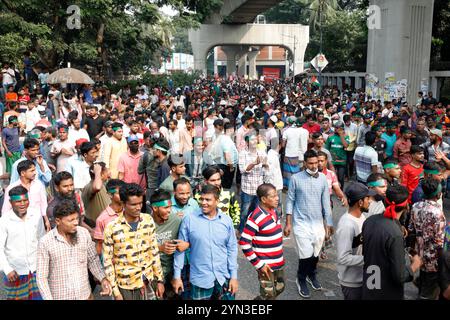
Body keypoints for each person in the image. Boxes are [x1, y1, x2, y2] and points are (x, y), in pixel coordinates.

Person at [172, 184, 238, 300]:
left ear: (217, 201)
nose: (203, 202)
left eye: (208, 200)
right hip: (200, 279)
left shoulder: (226, 221)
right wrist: (177, 276)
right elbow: (180, 249)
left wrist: (234, 276)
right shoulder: (189, 220)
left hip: (223, 278)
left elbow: (232, 249)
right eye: (201, 199)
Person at [36, 199, 112, 300]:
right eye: (71, 220)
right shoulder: (45, 242)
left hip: (85, 295)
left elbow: (93, 260)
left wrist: (103, 279)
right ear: (58, 221)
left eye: (77, 218)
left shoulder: (84, 234)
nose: (76, 223)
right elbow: (41, 277)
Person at [284, 150, 333, 298]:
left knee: (316, 252)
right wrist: (288, 223)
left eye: (316, 162)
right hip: (301, 223)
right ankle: (301, 279)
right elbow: (290, 200)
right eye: (310, 163)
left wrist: (328, 223)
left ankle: (312, 275)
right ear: (304, 163)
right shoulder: (295, 179)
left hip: (318, 223)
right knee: (305, 254)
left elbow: (325, 202)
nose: (314, 166)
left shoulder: (323, 178)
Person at [103, 183, 165, 300]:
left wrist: (160, 280)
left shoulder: (148, 220)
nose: (138, 207)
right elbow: (107, 262)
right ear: (123, 204)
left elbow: (154, 251)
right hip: (126, 286)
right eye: (133, 204)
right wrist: (116, 293)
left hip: (149, 280)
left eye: (140, 203)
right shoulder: (112, 227)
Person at [361, 184, 422, 300]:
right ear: (406, 206)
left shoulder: (369, 221)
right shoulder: (395, 234)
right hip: (386, 291)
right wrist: (415, 264)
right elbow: (399, 276)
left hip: (370, 282)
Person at [239, 183, 285, 300]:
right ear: (264, 199)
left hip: (278, 263)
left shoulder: (274, 211)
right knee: (269, 296)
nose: (277, 198)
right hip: (266, 266)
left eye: (276, 195)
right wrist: (259, 265)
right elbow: (244, 242)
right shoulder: (255, 217)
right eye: (273, 196)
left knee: (280, 288)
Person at [0, 186, 45, 300]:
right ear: (11, 202)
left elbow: (42, 239)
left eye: (25, 200)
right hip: (15, 272)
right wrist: (7, 269)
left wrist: (44, 264)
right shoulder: (4, 221)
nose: (22, 204)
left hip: (36, 268)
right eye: (18, 201)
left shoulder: (35, 215)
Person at [408, 178, 447, 300]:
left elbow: (411, 229)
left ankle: (421, 287)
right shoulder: (438, 213)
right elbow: (439, 242)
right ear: (438, 194)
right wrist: (443, 263)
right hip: (433, 258)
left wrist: (412, 251)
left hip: (419, 254)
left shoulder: (415, 206)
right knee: (429, 291)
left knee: (424, 279)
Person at [335, 183, 375, 300]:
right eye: (368, 198)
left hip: (364, 277)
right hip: (352, 282)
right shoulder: (346, 225)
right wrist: (370, 258)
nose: (370, 201)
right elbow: (342, 257)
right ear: (360, 202)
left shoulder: (361, 217)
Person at [151, 190, 189, 300]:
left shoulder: (176, 220)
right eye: (166, 208)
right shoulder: (145, 223)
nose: (169, 211)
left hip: (173, 270)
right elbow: (139, 248)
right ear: (155, 208)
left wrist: (187, 244)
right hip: (154, 273)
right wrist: (160, 248)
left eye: (170, 207)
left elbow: (189, 240)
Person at [2, 160, 50, 231]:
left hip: (37, 222)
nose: (35, 173)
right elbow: (6, 209)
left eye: (35, 170)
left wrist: (46, 220)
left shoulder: (39, 185)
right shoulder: (11, 188)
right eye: (32, 171)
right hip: (19, 223)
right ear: (23, 173)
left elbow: (43, 204)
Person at [238, 133, 268, 233]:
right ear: (247, 142)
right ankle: (241, 230)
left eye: (255, 139)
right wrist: (254, 163)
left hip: (258, 189)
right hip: (247, 189)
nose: (254, 142)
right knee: (244, 213)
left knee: (256, 213)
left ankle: (253, 232)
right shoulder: (243, 153)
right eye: (252, 140)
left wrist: (265, 165)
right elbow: (242, 170)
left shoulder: (262, 153)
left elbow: (267, 168)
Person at [93, 179, 125, 255]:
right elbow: (99, 244)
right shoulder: (102, 219)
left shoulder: (129, 212)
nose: (123, 195)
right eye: (119, 193)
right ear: (110, 195)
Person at [138, 138, 170, 211]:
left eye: (155, 149)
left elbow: (139, 171)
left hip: (155, 191)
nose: (153, 151)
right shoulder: (168, 159)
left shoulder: (164, 166)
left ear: (159, 151)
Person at [81, 162, 111, 230]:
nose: (108, 173)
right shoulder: (90, 186)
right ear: (102, 175)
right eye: (106, 171)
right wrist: (97, 172)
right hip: (95, 227)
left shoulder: (102, 184)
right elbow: (97, 187)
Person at [281, 117, 309, 188]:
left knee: (289, 172)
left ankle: (290, 186)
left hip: (290, 154)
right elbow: (307, 142)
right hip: (302, 154)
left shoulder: (286, 131)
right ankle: (299, 186)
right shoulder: (304, 131)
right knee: (300, 171)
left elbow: (283, 145)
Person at [325, 121, 350, 189]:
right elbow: (326, 149)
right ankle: (333, 190)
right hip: (332, 160)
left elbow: (345, 146)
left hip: (342, 161)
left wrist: (341, 135)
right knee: (332, 176)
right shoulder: (330, 136)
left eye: (338, 128)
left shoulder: (346, 136)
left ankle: (340, 192)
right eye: (335, 128)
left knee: (341, 177)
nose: (336, 129)